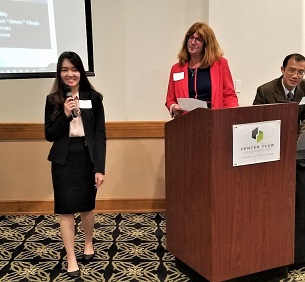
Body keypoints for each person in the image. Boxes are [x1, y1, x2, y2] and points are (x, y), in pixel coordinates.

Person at [44, 51, 106, 278]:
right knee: (66, 210)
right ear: (59, 73)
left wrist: (100, 167)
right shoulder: (53, 101)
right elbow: (49, 135)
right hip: (63, 158)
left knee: (87, 206)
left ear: (81, 71)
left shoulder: (95, 98)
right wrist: (65, 115)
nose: (70, 74)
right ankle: (71, 257)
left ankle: (88, 243)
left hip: (87, 157)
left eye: (74, 69)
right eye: (64, 70)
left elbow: (100, 135)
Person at [253, 53, 305, 269]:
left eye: (300, 72)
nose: (295, 76)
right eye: (292, 70)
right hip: (269, 151)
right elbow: (253, 123)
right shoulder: (265, 91)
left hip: (297, 153)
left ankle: (298, 251)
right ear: (282, 69)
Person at [165, 22, 239, 118]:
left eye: (198, 39)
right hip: (186, 121)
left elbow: (229, 96)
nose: (192, 42)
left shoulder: (220, 64)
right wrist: (173, 107)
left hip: (213, 120)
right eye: (190, 38)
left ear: (207, 44)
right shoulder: (177, 69)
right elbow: (170, 99)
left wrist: (233, 117)